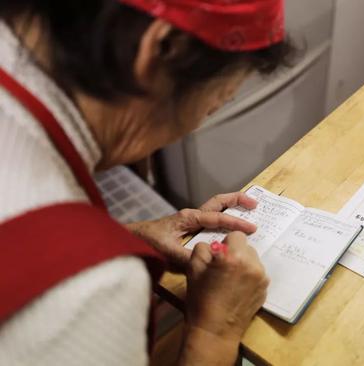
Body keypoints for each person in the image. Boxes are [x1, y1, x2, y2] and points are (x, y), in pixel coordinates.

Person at [0, 0, 292, 365]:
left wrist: (130, 236)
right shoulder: (93, 292)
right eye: (216, 103)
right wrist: (215, 331)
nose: (200, 120)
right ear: (162, 48)